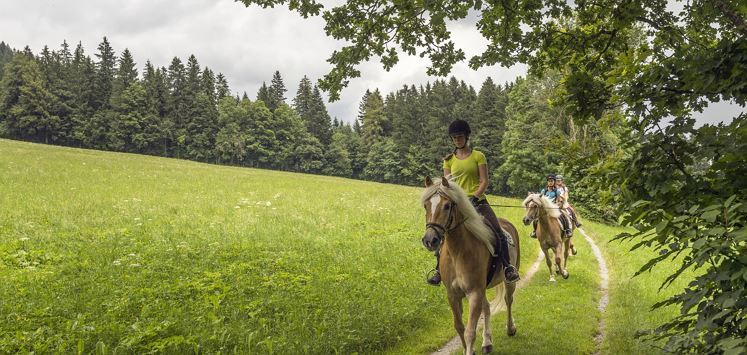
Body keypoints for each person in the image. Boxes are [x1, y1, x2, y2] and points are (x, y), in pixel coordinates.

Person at [427, 119, 520, 285]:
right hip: (457, 205)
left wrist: (474, 197)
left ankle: (507, 267)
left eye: (460, 136)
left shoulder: (478, 156)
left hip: (479, 202)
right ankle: (439, 270)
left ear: (467, 137)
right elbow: (446, 184)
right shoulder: (448, 160)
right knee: (443, 232)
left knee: (497, 231)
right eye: (454, 137)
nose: (457, 140)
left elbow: (484, 181)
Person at [530, 174, 571, 238]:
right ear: (547, 182)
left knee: (564, 215)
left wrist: (558, 204)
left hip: (553, 209)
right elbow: (540, 199)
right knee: (536, 219)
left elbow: (558, 200)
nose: (550, 182)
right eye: (549, 181)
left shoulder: (557, 191)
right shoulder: (544, 191)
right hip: (545, 209)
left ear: (554, 182)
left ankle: (567, 231)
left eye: (552, 181)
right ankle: (535, 231)